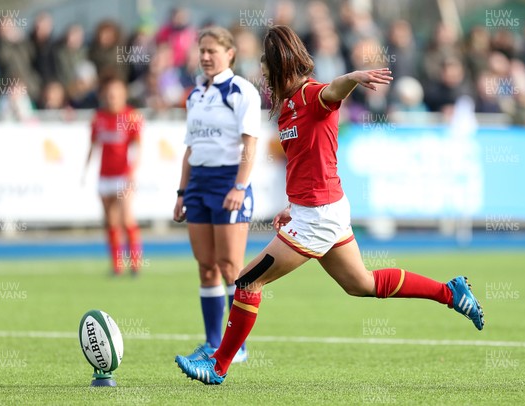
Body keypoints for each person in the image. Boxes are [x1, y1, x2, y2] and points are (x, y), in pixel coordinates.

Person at [174, 25, 485, 385]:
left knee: (246, 281)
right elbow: (307, 163)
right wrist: (293, 206)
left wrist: (352, 77)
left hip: (319, 217)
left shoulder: (311, 95)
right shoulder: (288, 107)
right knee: (362, 284)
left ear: (281, 67)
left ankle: (218, 366)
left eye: (267, 70)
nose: (265, 78)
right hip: (318, 211)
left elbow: (332, 91)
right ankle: (450, 292)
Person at [173, 26, 261, 364]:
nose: (206, 57)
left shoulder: (242, 91)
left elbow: (249, 145)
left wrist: (239, 186)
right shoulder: (195, 94)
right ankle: (213, 343)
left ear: (230, 54)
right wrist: (182, 191)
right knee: (206, 266)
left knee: (230, 266)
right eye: (202, 51)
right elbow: (190, 148)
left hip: (228, 183)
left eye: (213, 51)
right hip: (198, 184)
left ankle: (235, 346)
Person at [84, 77, 142, 276]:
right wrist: (85, 170)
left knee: (126, 218)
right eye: (109, 94)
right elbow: (93, 145)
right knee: (110, 221)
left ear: (123, 95)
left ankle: (135, 263)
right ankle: (117, 265)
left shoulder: (130, 116)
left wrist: (132, 172)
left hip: (122, 175)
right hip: (105, 176)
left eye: (116, 94)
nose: (112, 98)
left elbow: (137, 146)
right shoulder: (98, 118)